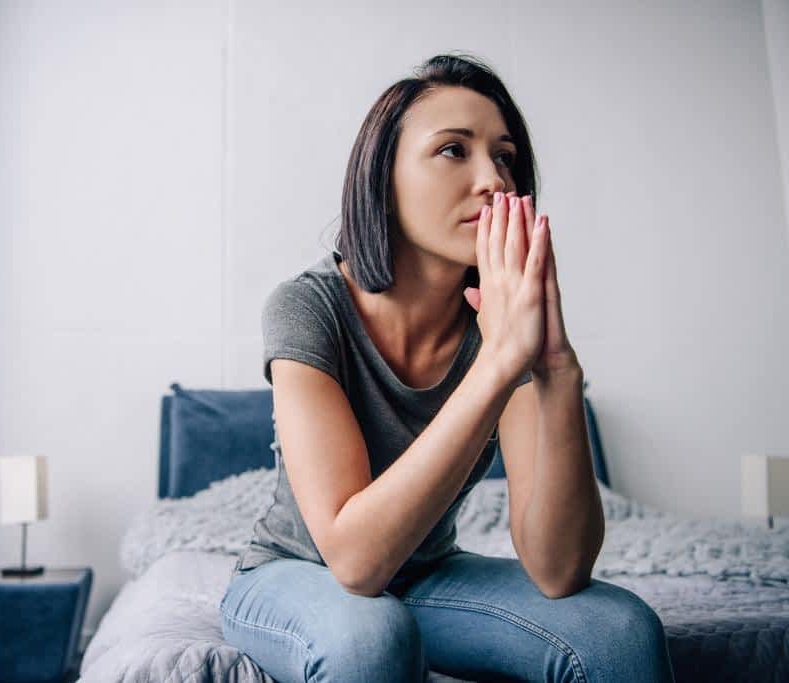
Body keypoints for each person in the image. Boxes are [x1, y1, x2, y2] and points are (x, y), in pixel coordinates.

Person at [218, 53, 676, 683]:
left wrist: (557, 370)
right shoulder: (306, 307)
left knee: (619, 631)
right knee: (370, 634)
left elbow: (558, 569)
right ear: (385, 177)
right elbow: (353, 563)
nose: (494, 179)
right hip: (293, 574)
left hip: (428, 577)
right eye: (454, 150)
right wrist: (497, 364)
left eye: (505, 155)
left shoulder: (500, 328)